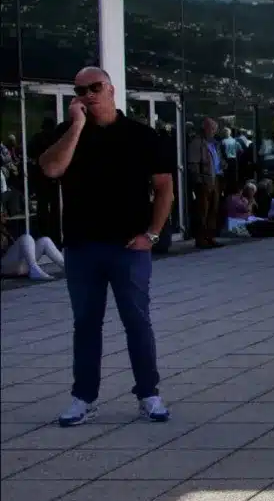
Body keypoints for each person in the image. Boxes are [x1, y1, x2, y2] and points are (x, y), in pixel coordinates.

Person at [31, 67, 174, 427]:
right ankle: (83, 398)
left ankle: (148, 394)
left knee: (137, 321)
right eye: (81, 90)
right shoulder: (69, 134)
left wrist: (152, 235)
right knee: (86, 324)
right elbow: (50, 169)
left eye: (96, 88)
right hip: (82, 247)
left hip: (128, 246)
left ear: (111, 89)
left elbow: (164, 188)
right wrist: (77, 127)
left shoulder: (141, 135)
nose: (89, 95)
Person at [184, 116, 224, 249]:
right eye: (212, 128)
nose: (214, 131)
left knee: (214, 210)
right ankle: (201, 239)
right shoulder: (197, 143)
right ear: (205, 128)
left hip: (215, 179)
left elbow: (217, 160)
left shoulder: (214, 143)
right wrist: (199, 181)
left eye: (215, 129)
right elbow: (193, 164)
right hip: (204, 181)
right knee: (203, 211)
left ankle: (210, 237)